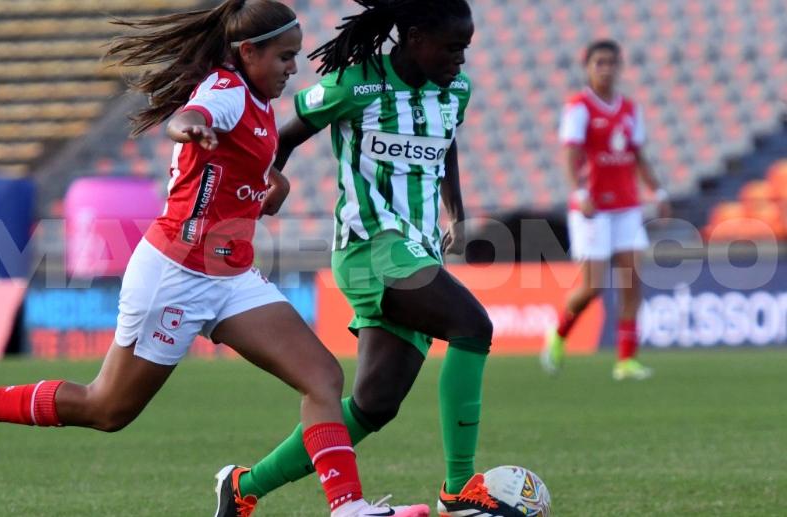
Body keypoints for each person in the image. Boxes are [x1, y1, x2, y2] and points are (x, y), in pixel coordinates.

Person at [0, 2, 429, 516]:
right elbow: (192, 116)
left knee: (323, 377)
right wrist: (190, 127)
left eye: (295, 57)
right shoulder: (228, 90)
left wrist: (267, 183)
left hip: (230, 275)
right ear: (248, 52)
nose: (292, 68)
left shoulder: (257, 103)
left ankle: (348, 508)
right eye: (284, 57)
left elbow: (228, 173)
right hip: (175, 274)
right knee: (108, 408)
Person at [215, 1, 526, 516]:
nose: (460, 60)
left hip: (417, 251)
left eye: (465, 49)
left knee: (373, 407)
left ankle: (244, 487)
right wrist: (267, 182)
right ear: (415, 36)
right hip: (369, 247)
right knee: (473, 325)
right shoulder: (356, 84)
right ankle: (459, 488)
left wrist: (457, 213)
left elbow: (445, 143)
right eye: (452, 48)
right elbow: (283, 137)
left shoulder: (456, 91)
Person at [540, 39, 671, 381]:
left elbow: (637, 154)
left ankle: (626, 361)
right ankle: (558, 335)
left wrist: (656, 189)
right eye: (599, 62)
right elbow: (570, 154)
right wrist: (579, 191)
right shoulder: (579, 107)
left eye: (611, 62)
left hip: (627, 207)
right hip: (593, 208)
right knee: (594, 286)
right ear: (588, 66)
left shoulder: (629, 108)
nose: (606, 68)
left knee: (631, 283)